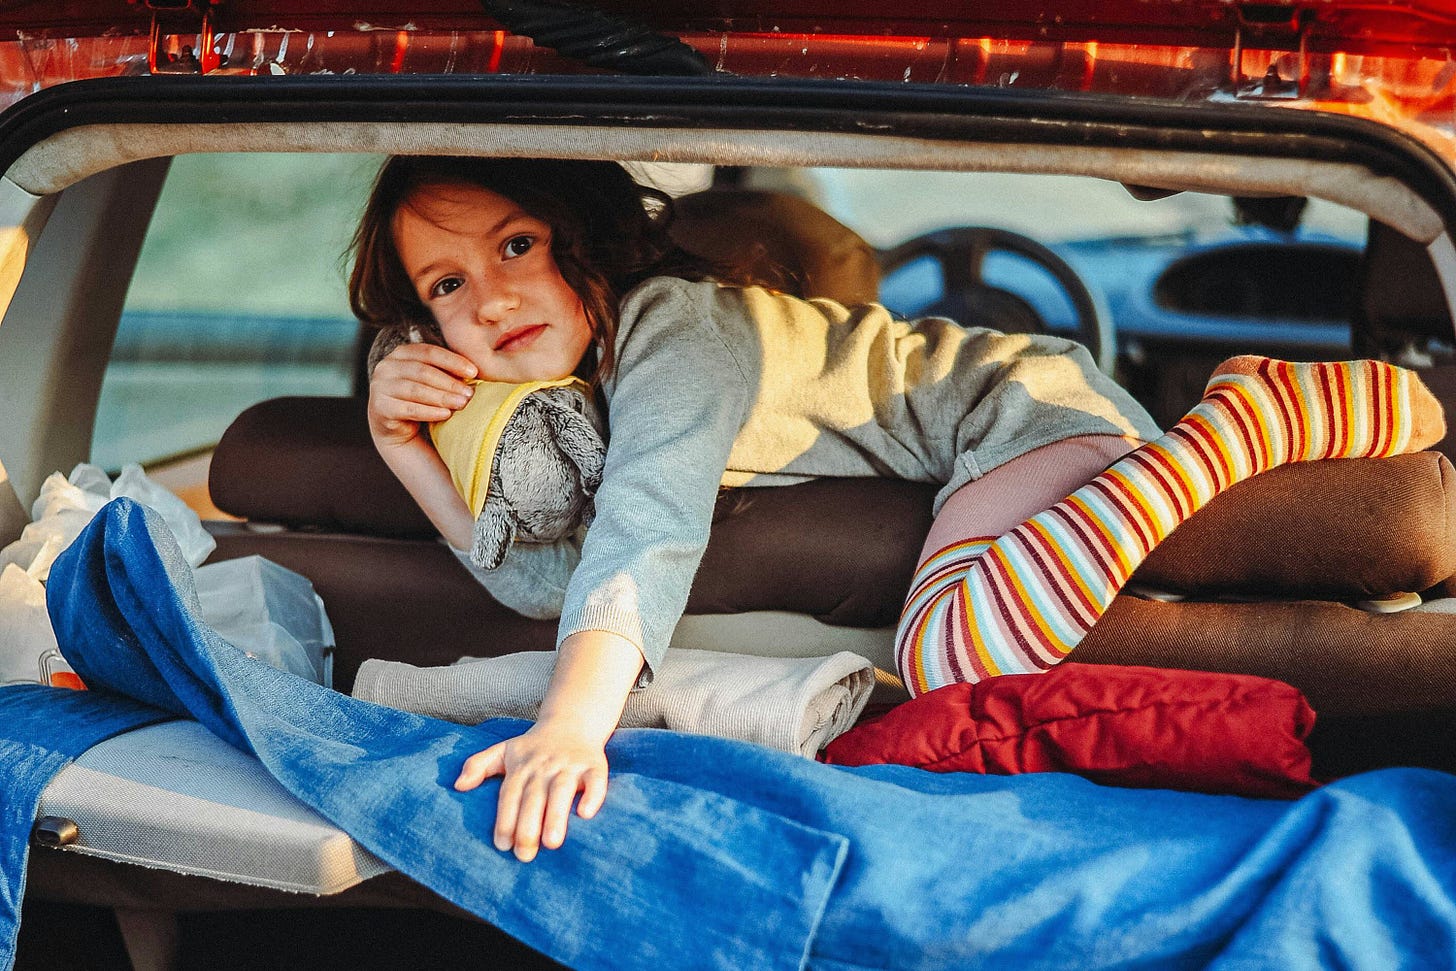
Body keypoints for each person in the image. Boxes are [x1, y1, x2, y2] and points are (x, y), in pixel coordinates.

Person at [350, 155, 1446, 863]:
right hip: (989, 447)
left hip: (1012, 405)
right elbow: (551, 585)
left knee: (952, 651)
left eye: (514, 244)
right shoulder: (569, 416)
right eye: (444, 285)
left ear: (582, 231)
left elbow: (652, 525)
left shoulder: (676, 325)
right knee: (985, 634)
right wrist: (402, 448)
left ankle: (1224, 438)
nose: (487, 295)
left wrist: (570, 724)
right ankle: (1222, 435)